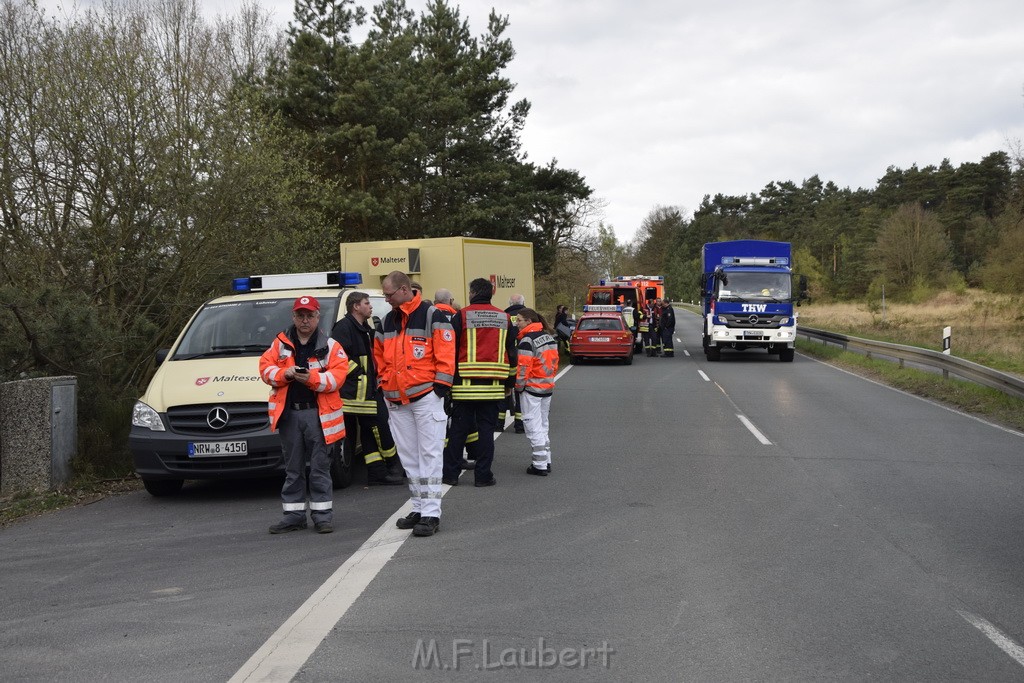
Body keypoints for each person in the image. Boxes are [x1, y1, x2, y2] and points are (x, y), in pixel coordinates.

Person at [260, 295, 349, 535]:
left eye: (310, 315)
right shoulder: (280, 343)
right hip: (290, 415)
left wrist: (311, 379)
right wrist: (285, 374)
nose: (305, 320)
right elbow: (265, 370)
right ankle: (293, 516)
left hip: (318, 416)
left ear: (318, 317)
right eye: (300, 315)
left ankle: (322, 517)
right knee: (293, 468)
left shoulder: (331, 346)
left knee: (320, 467)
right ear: (294, 317)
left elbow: (337, 379)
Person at [375, 272, 455, 537]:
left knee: (430, 456)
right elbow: (379, 357)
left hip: (425, 397)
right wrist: (383, 383)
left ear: (405, 289)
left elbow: (446, 353)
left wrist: (440, 388)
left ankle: (431, 513)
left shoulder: (432, 315)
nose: (386, 300)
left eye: (389, 294)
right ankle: (419, 507)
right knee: (409, 458)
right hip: (396, 399)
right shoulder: (387, 321)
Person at [441, 278, 517, 488]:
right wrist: (510, 381)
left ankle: (450, 475)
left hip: (463, 387)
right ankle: (483, 476)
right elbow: (512, 353)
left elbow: (449, 350)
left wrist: (446, 383)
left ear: (473, 293)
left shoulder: (461, 315)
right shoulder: (505, 317)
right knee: (485, 432)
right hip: (493, 388)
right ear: (491, 293)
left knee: (458, 431)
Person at [331, 291, 404, 486]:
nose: (370, 306)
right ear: (355, 306)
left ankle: (376, 472)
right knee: (380, 425)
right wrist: (360, 373)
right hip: (356, 393)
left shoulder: (363, 326)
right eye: (366, 303)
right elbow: (338, 357)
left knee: (368, 431)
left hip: (367, 389)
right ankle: (393, 465)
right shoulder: (343, 327)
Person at [433, 288, 482, 471]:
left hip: (433, 379)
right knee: (460, 420)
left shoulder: (428, 316)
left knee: (440, 421)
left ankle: (442, 458)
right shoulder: (457, 318)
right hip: (457, 376)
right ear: (451, 300)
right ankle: (461, 456)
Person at [514, 308, 559, 476]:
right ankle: (546, 460)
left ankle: (539, 464)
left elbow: (523, 368)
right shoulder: (549, 337)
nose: (516, 323)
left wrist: (519, 387)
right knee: (543, 425)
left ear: (529, 322)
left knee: (532, 425)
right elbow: (554, 362)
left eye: (519, 320)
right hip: (546, 387)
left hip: (531, 388)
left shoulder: (527, 341)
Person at [499, 293, 527, 433]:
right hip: (525, 359)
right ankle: (519, 424)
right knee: (520, 392)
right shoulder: (529, 317)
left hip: (507, 359)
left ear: (510, 303)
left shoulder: (504, 316)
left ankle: (499, 423)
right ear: (523, 302)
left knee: (505, 391)